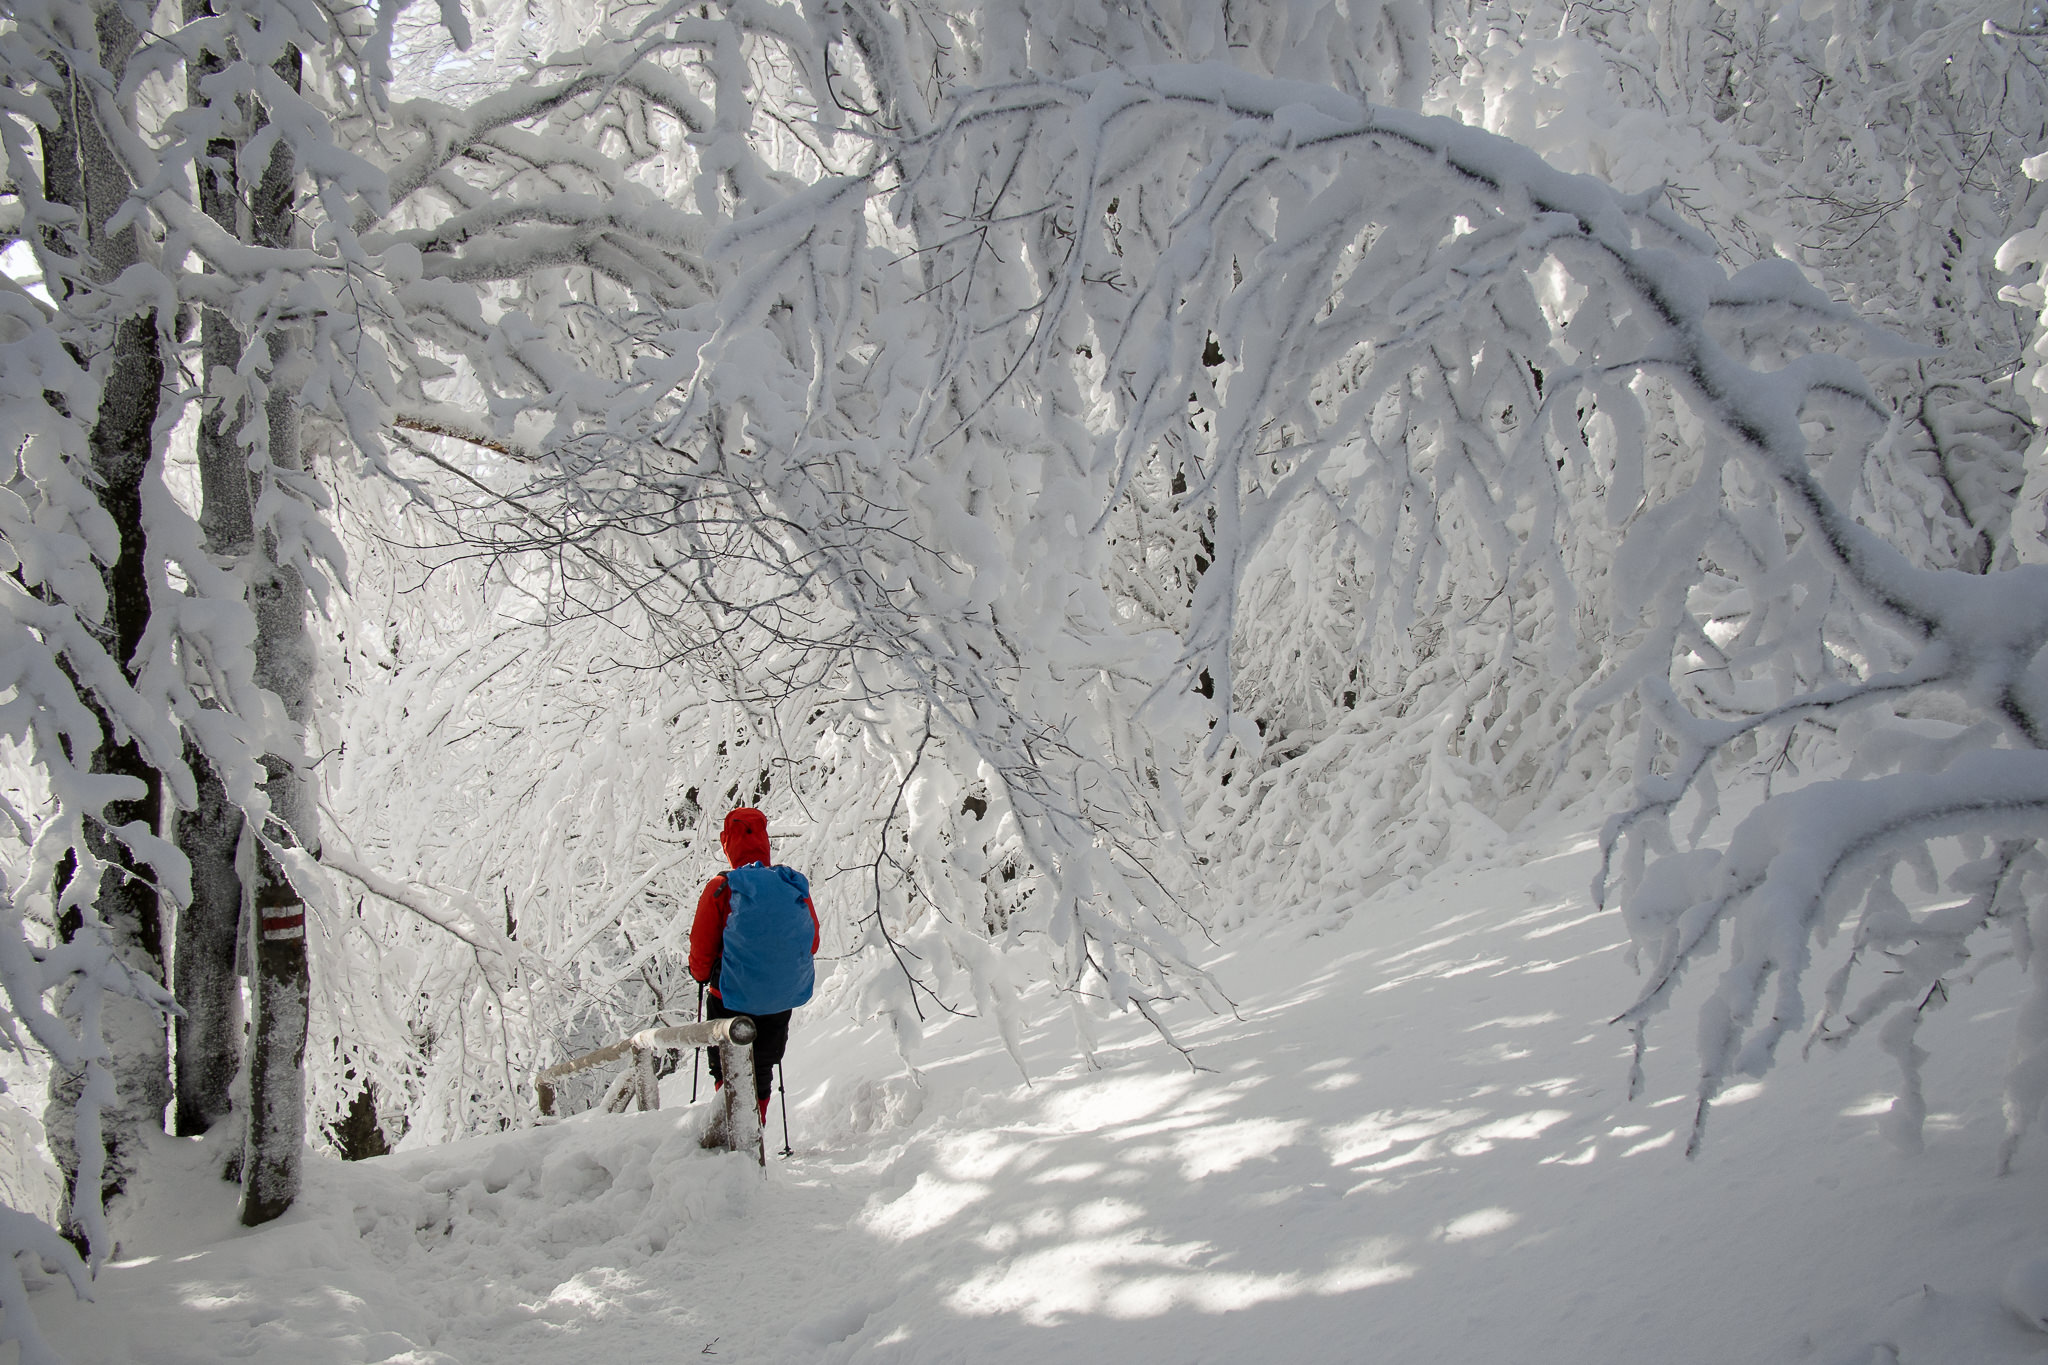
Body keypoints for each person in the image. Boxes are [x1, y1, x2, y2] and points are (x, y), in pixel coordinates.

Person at [688, 807, 819, 1126]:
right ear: (764, 840)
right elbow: (811, 942)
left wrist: (701, 975)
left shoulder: (722, 887)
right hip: (779, 999)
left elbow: (702, 952)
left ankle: (733, 1135)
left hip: (729, 998)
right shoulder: (789, 883)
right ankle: (754, 1133)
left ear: (727, 843)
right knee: (762, 1069)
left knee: (727, 1068)